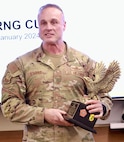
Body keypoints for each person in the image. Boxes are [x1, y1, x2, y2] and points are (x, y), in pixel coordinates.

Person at [1, 3, 113, 142]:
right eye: (43, 23)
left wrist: (102, 106)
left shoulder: (85, 63)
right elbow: (9, 106)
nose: (48, 27)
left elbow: (105, 97)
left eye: (54, 22)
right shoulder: (19, 65)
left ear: (64, 25)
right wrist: (44, 114)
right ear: (38, 27)